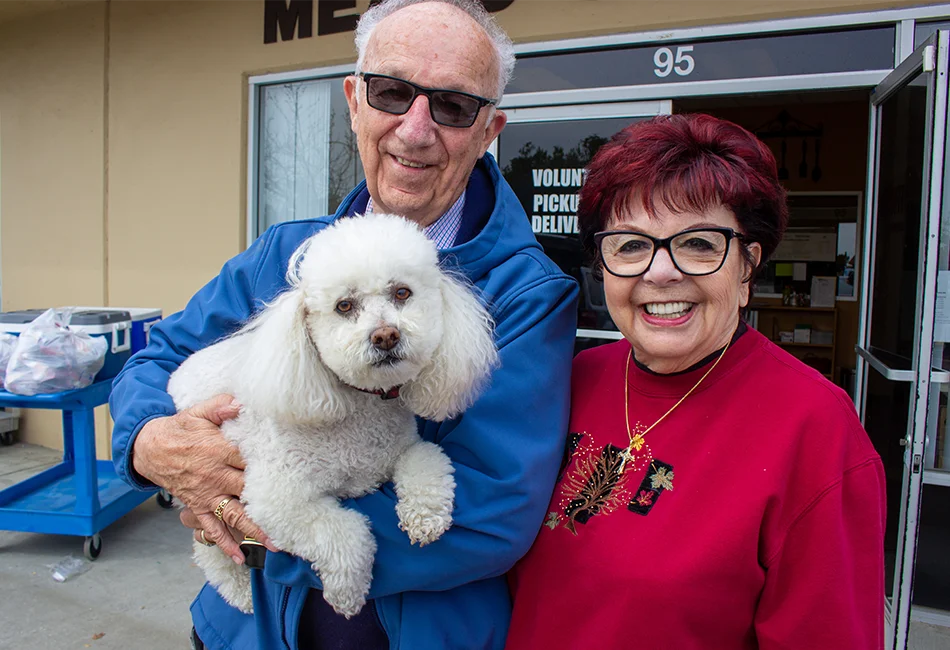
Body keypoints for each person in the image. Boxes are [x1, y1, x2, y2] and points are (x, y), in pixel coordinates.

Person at [109, 1, 579, 648]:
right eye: (392, 92)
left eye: (452, 107)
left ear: (489, 128)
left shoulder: (528, 295)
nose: (415, 131)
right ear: (354, 100)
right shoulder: (280, 256)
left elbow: (488, 515)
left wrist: (258, 525)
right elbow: (154, 360)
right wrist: (149, 444)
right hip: (241, 631)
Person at [504, 114, 886, 649]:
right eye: (631, 245)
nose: (660, 273)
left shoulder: (816, 430)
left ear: (748, 266)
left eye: (700, 243)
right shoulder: (565, 381)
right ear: (603, 266)